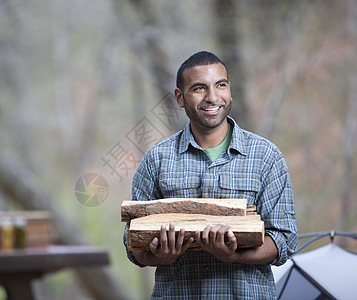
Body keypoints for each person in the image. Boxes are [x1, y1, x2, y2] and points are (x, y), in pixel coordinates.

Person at [124, 51, 298, 299]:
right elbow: (133, 245)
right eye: (199, 88)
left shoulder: (266, 156)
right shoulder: (156, 160)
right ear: (180, 97)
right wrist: (160, 256)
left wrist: (234, 254)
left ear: (230, 90)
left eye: (221, 85)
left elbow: (284, 240)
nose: (213, 97)